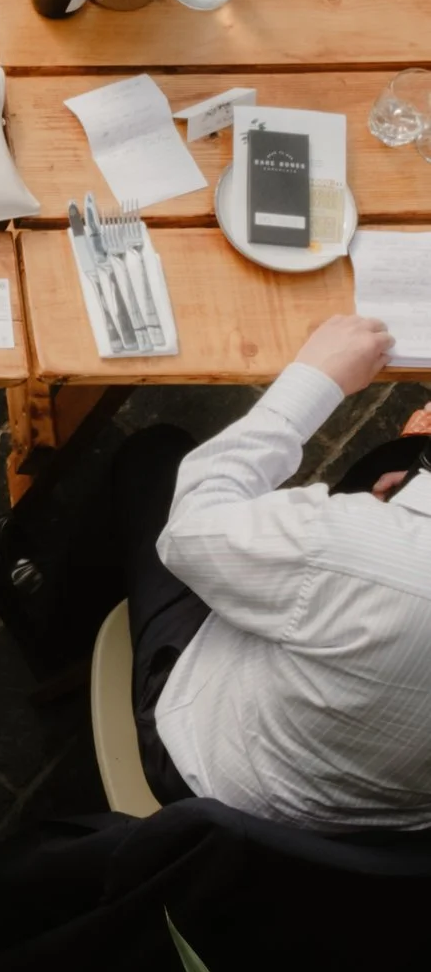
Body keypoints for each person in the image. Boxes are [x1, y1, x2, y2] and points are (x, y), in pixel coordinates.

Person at [103, 314, 431, 826]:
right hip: (374, 833)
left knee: (155, 458)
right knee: (393, 460)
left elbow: (189, 530)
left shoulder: (352, 546)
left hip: (214, 776)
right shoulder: (359, 550)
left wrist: (313, 380)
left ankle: (50, 617)